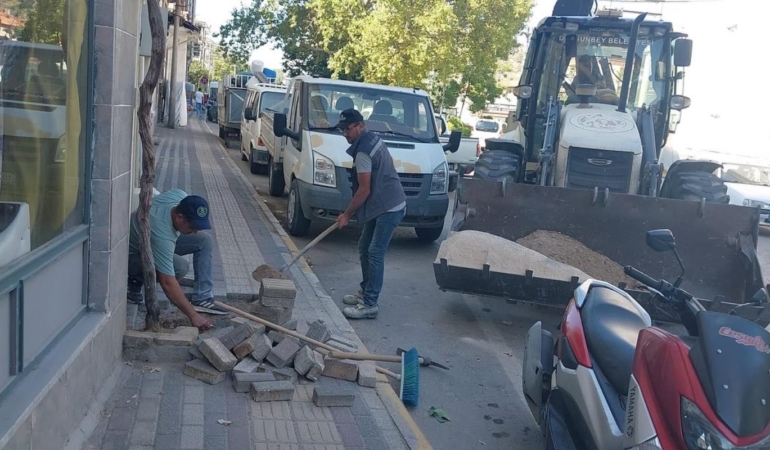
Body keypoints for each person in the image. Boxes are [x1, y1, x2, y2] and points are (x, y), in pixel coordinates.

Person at [335, 108, 406, 320]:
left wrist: (347, 215)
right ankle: (365, 292)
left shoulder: (364, 150)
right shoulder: (371, 139)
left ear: (360, 126)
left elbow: (363, 189)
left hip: (389, 206)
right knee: (364, 246)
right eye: (342, 130)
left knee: (374, 252)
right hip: (381, 203)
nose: (345, 134)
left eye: (347, 129)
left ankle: (369, 303)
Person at [127, 189, 227, 331]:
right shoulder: (161, 236)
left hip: (151, 239)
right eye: (192, 227)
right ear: (179, 217)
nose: (195, 231)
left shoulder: (179, 196)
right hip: (132, 256)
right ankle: (134, 281)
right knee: (180, 266)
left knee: (204, 240)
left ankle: (202, 297)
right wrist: (193, 315)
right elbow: (167, 283)